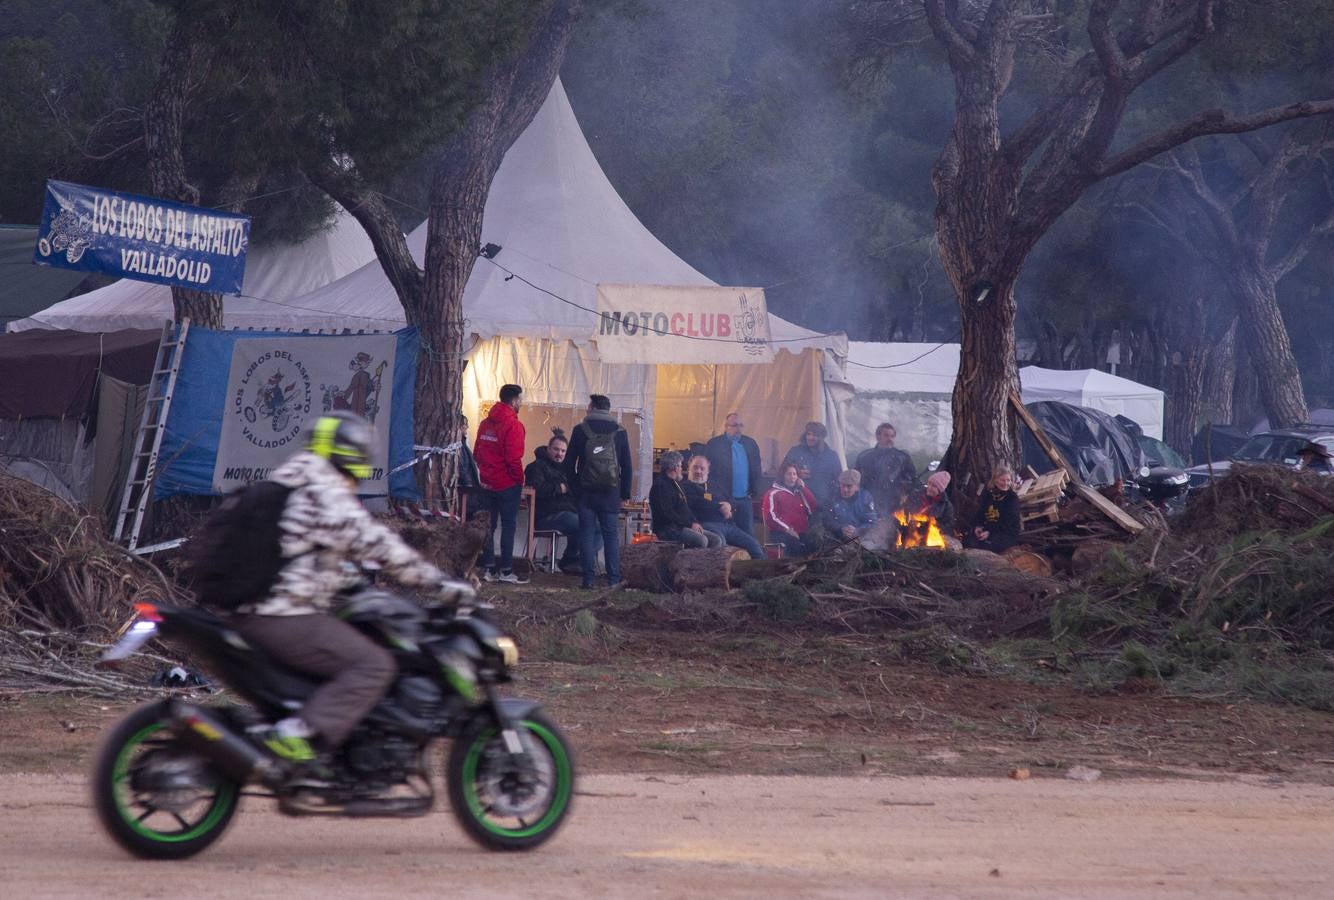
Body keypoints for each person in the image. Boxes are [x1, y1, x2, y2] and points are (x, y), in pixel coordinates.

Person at [229, 412, 475, 775]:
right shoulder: (328, 493)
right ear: (349, 455)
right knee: (374, 664)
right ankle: (301, 734)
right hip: (280, 614)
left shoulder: (290, 477)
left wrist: (344, 578)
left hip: (249, 605)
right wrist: (442, 584)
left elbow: (303, 549)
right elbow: (383, 548)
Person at [565, 394, 633, 589]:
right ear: (608, 409)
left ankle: (588, 581)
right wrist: (624, 494)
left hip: (586, 493)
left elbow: (569, 464)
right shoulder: (620, 431)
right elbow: (627, 465)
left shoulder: (580, 430)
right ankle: (613, 581)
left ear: (592, 407)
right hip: (611, 494)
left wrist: (576, 488)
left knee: (586, 534)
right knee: (611, 536)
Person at [472, 384, 528, 584]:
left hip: (487, 483)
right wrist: (519, 480)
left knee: (488, 525)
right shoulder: (513, 425)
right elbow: (513, 458)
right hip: (507, 484)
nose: (521, 403)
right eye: (521, 399)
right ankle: (506, 570)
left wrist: (485, 475)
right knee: (508, 526)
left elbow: (477, 452)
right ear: (514, 401)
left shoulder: (485, 423)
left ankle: (488, 569)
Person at [524, 428, 583, 574]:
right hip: (545, 516)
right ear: (548, 448)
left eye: (563, 451)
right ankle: (572, 559)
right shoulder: (536, 466)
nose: (560, 454)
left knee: (598, 527)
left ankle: (573, 560)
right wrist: (559, 488)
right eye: (556, 449)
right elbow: (536, 490)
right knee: (582, 523)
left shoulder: (567, 470)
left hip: (566, 513)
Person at [682, 454, 764, 558]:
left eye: (702, 468)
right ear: (689, 467)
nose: (698, 471)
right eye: (695, 467)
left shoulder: (715, 485)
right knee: (721, 545)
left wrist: (729, 505)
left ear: (708, 470)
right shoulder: (685, 487)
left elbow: (732, 500)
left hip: (727, 525)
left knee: (754, 545)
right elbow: (699, 503)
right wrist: (719, 507)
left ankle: (765, 572)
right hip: (706, 524)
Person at [703, 413, 766, 536]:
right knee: (724, 535)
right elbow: (708, 471)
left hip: (744, 499)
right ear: (726, 426)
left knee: (748, 535)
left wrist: (755, 490)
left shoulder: (750, 443)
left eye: (741, 425)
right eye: (734, 425)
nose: (738, 429)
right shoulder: (714, 444)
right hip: (723, 499)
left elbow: (757, 469)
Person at [650, 451, 724, 549]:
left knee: (716, 540)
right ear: (675, 468)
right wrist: (689, 524)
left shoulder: (677, 484)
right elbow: (667, 514)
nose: (681, 469)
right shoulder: (660, 486)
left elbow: (685, 508)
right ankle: (693, 564)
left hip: (682, 526)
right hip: (667, 529)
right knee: (702, 540)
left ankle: (709, 564)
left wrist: (695, 522)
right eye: (680, 466)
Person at [855, 422, 918, 515]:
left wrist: (903, 487)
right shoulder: (864, 457)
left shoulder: (902, 458)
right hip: (870, 501)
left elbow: (912, 478)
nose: (890, 439)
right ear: (878, 436)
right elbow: (856, 479)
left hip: (894, 503)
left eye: (892, 436)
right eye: (886, 435)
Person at [762, 461, 821, 557]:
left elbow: (813, 506)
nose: (792, 477)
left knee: (815, 545)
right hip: (780, 533)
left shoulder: (799, 492)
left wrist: (803, 488)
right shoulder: (773, 493)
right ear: (782, 476)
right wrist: (788, 529)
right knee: (796, 547)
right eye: (789, 474)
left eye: (795, 474)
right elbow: (771, 517)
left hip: (801, 532)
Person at [782, 421, 843, 512]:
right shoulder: (795, 452)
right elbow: (782, 471)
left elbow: (839, 479)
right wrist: (796, 474)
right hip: (798, 500)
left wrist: (833, 500)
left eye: (815, 435)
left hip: (823, 503)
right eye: (808, 434)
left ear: (822, 437)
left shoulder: (831, 456)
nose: (810, 438)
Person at [963, 464, 1021, 553]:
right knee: (967, 542)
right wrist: (978, 526)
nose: (1006, 483)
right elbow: (980, 513)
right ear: (995, 480)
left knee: (986, 547)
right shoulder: (988, 495)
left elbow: (1008, 522)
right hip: (988, 529)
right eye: (1002, 480)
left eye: (1008, 480)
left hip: (1005, 533)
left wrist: (989, 532)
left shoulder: (1012, 498)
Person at [824, 469, 881, 547]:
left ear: (857, 487)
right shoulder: (832, 497)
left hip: (861, 539)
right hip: (837, 538)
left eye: (849, 486)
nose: (845, 489)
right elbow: (827, 520)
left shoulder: (865, 498)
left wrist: (857, 530)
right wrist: (840, 529)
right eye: (843, 485)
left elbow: (871, 521)